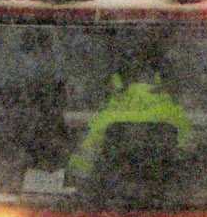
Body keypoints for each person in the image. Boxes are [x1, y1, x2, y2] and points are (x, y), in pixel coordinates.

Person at [67, 54, 191, 184]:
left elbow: (84, 159)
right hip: (160, 191)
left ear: (117, 81)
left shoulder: (109, 114)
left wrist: (77, 176)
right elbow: (187, 152)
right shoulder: (174, 113)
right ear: (159, 79)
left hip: (118, 192)